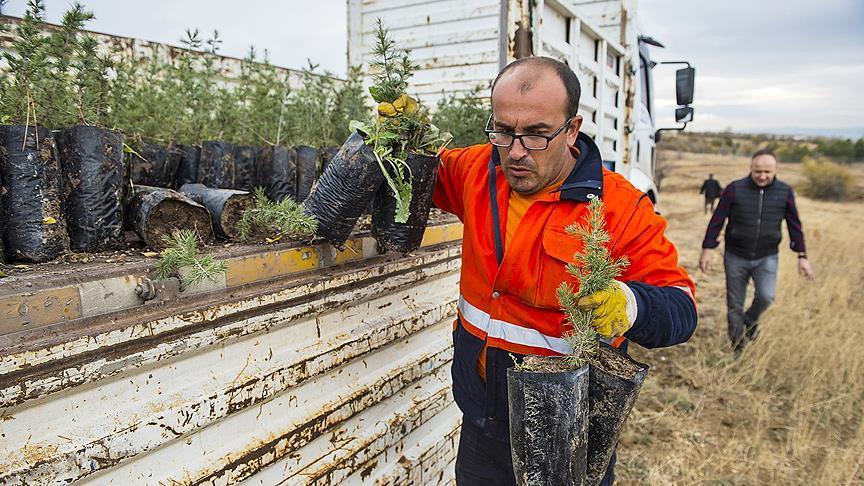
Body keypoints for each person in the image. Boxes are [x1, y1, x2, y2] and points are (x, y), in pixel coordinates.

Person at [430, 56, 698, 485]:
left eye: (536, 135)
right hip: (482, 417)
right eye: (503, 131)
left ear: (573, 129)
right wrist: (396, 135)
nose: (515, 152)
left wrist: (630, 305)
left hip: (566, 434)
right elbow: (415, 173)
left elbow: (682, 309)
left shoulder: (619, 207)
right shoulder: (477, 171)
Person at [699, 149, 814, 353]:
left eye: (767, 171)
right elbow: (717, 219)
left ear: (775, 169)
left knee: (766, 297)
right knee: (734, 305)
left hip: (767, 257)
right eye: (758, 171)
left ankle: (750, 319)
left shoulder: (785, 191)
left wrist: (802, 256)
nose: (762, 176)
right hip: (735, 256)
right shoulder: (734, 189)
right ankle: (738, 348)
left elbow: (794, 225)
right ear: (751, 168)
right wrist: (707, 248)